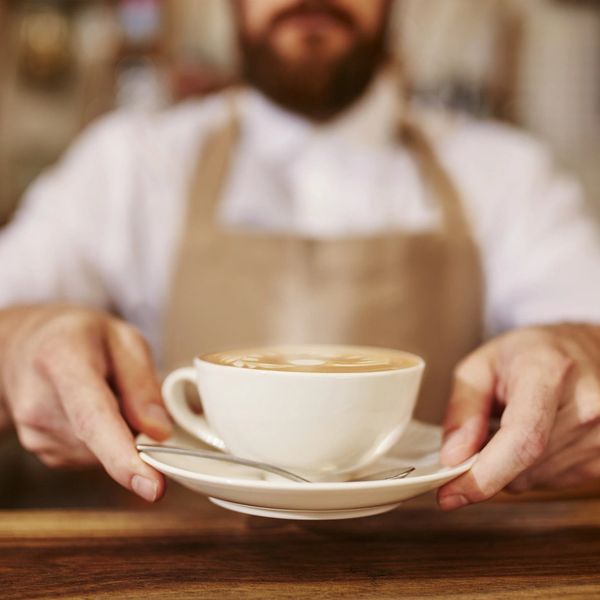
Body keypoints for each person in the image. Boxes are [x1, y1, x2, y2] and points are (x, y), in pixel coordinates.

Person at [1, 0, 600, 509]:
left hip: (441, 566)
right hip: (182, 566)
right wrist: (23, 340)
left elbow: (585, 321)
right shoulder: (130, 163)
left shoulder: (507, 173)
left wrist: (578, 351)